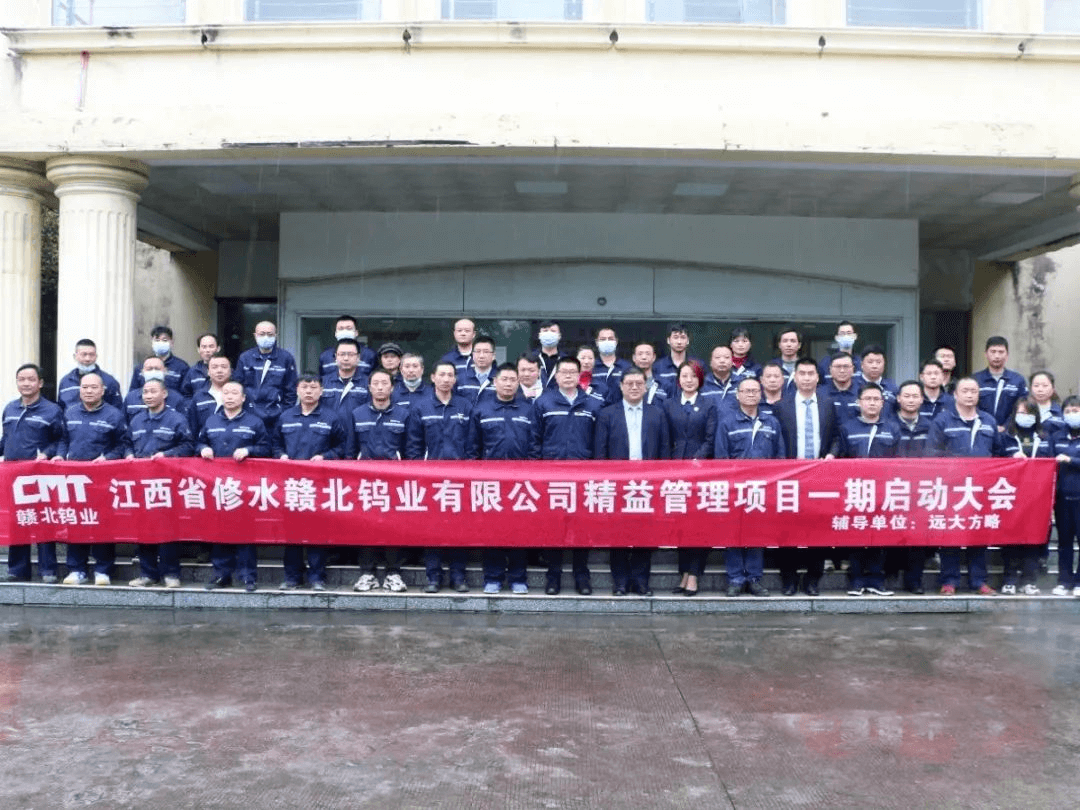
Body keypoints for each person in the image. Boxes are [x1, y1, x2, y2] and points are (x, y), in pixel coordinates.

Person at [928, 376, 1009, 595]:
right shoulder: (943, 420)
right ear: (955, 394)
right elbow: (931, 453)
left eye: (974, 391)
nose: (970, 395)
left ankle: (979, 581)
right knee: (950, 533)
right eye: (965, 391)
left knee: (979, 532)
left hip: (980, 488)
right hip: (950, 487)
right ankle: (949, 580)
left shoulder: (988, 421)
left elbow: (998, 452)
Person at [531, 356, 605, 595]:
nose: (568, 376)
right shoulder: (543, 403)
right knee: (554, 527)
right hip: (552, 476)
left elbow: (599, 442)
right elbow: (535, 440)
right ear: (556, 375)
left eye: (573, 372)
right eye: (563, 372)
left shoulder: (593, 404)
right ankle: (553, 576)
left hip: (583, 477)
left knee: (582, 527)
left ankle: (582, 576)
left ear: (580, 375)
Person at [595, 367, 671, 596]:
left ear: (646, 386)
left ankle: (641, 581)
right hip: (616, 483)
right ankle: (620, 582)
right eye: (629, 383)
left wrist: (661, 480)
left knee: (645, 533)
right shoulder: (607, 414)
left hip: (647, 483)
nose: (635, 387)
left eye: (639, 383)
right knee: (617, 534)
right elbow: (600, 452)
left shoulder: (657, 413)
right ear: (621, 386)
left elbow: (664, 449)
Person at [272, 374, 350, 591]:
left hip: (319, 483)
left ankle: (317, 577)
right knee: (292, 533)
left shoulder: (331, 417)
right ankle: (292, 577)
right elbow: (275, 444)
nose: (308, 391)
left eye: (313, 387)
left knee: (317, 532)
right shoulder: (286, 416)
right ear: (297, 390)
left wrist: (325, 457)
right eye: (304, 387)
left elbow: (342, 447)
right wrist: (281, 455)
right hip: (291, 484)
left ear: (321, 391)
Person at [467, 362, 536, 595]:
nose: (508, 384)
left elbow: (535, 446)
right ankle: (493, 577)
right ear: (495, 382)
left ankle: (518, 578)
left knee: (519, 531)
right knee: (492, 531)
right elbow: (472, 448)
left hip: (521, 482)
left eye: (512, 380)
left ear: (518, 383)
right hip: (490, 482)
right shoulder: (481, 410)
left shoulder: (528, 410)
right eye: (504, 379)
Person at [55, 372, 131, 587]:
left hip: (102, 480)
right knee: (76, 523)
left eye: (93, 387)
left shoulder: (114, 415)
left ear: (102, 390)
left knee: (102, 524)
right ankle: (76, 569)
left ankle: (103, 570)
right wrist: (60, 455)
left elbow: (123, 444)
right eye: (84, 387)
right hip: (74, 480)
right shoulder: (70, 413)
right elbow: (63, 439)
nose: (88, 391)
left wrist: (107, 458)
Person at [406, 361, 473, 592]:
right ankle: (433, 577)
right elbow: (413, 446)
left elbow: (472, 444)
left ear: (455, 379)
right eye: (442, 374)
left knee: (459, 530)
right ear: (433, 377)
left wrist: (469, 471)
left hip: (460, 480)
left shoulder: (465, 406)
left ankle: (458, 577)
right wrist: (419, 473)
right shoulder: (421, 407)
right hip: (430, 479)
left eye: (450, 375)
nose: (446, 379)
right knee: (431, 530)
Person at [198, 381, 271, 591]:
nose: (229, 396)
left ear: (243, 398)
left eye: (234, 393)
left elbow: (266, 448)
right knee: (219, 531)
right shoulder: (211, 420)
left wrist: (249, 450)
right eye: (226, 393)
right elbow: (199, 442)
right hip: (217, 486)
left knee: (245, 532)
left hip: (245, 487)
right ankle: (221, 575)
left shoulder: (254, 422)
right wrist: (203, 448)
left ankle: (248, 576)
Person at [715, 377, 784, 597]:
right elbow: (721, 457)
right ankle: (735, 578)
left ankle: (754, 578)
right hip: (734, 488)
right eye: (747, 391)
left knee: (756, 534)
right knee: (733, 533)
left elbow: (780, 456)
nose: (751, 394)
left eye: (755, 390)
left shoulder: (771, 423)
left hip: (762, 489)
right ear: (738, 395)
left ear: (761, 394)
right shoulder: (727, 423)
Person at [775, 357, 838, 595]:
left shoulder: (828, 404)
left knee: (818, 528)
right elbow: (777, 439)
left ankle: (813, 579)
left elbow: (836, 436)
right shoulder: (782, 406)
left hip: (820, 475)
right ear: (795, 377)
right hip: (790, 476)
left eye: (811, 373)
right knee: (787, 528)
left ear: (818, 377)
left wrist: (832, 454)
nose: (807, 378)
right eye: (802, 373)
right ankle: (789, 579)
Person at [348, 369, 412, 593]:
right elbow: (350, 450)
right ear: (369, 387)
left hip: (395, 481)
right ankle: (367, 573)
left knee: (394, 526)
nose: (380, 387)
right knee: (365, 526)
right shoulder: (357, 413)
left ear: (392, 387)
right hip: (365, 482)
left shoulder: (403, 414)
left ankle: (393, 573)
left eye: (384, 383)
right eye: (375, 383)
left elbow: (410, 449)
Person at [128, 377, 195, 588]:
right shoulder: (136, 420)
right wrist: (128, 454)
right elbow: (126, 443)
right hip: (141, 482)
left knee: (167, 529)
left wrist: (167, 455)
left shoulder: (177, 419)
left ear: (164, 394)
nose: (148, 396)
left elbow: (188, 446)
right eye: (145, 392)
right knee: (143, 529)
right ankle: (147, 573)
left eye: (153, 391)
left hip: (167, 483)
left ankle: (170, 574)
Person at [1, 364, 66, 583]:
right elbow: (6, 439)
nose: (26, 383)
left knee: (43, 521)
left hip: (40, 476)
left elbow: (61, 439)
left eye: (31, 379)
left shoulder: (52, 410)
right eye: (22, 379)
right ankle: (17, 570)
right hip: (14, 476)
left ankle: (48, 570)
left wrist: (47, 454)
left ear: (40, 383)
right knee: (17, 522)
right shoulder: (10, 408)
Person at [836, 383, 899, 596]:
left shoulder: (892, 429)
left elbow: (900, 461)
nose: (872, 403)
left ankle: (876, 580)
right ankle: (856, 580)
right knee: (856, 535)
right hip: (856, 491)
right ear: (859, 403)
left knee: (879, 536)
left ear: (883, 403)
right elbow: (841, 458)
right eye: (868, 399)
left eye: (876, 399)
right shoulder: (847, 428)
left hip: (883, 491)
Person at [663, 361, 717, 597]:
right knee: (681, 526)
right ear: (678, 379)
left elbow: (711, 438)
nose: (688, 380)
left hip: (700, 471)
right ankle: (684, 572)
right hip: (675, 471)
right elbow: (664, 436)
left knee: (700, 525)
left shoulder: (709, 404)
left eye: (693, 376)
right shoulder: (669, 404)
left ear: (700, 379)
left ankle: (694, 574)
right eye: (684, 376)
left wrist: (698, 459)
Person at [999, 397, 1051, 596]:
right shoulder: (1006, 437)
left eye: (1029, 413)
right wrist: (1011, 459)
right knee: (1011, 539)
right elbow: (995, 460)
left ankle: (1029, 580)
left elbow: (1052, 463)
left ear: (1036, 416)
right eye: (1021, 413)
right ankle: (1009, 579)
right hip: (1010, 495)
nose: (1025, 417)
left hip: (1038, 496)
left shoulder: (1044, 438)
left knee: (1034, 538)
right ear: (1014, 415)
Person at [891, 380, 932, 593]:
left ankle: (914, 580)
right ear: (898, 398)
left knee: (918, 534)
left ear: (922, 399)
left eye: (915, 396)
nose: (910, 400)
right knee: (891, 529)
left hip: (921, 489)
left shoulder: (931, 426)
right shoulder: (888, 425)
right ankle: (890, 573)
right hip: (893, 488)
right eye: (906, 396)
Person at [233, 321, 298, 431]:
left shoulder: (286, 358)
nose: (266, 337)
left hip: (276, 417)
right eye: (262, 334)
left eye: (270, 334)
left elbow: (291, 390)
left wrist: (283, 413)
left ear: (276, 336)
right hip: (249, 415)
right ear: (255, 336)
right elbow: (237, 386)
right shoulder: (245, 358)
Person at [1051, 396, 1080, 597]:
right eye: (1068, 411)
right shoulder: (1057, 437)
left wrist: (1070, 460)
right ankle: (1064, 581)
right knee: (1064, 542)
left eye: (1076, 411)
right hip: (1062, 498)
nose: (1071, 414)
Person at [973, 336, 1028, 429]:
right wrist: (988, 425)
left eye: (1001, 352)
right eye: (993, 352)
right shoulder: (975, 379)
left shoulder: (1018, 380)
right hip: (982, 430)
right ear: (986, 354)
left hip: (1010, 431)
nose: (997, 356)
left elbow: (1023, 406)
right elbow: (970, 406)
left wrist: (1006, 426)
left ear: (1007, 355)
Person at [56, 338, 123, 411]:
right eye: (84, 354)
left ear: (96, 356)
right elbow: (61, 409)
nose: (87, 359)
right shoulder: (65, 382)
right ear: (75, 356)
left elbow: (117, 410)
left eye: (91, 355)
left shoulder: (109, 381)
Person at [188, 354, 239, 439]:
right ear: (208, 372)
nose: (219, 371)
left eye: (224, 367)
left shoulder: (240, 395)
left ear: (231, 371)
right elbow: (192, 429)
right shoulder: (199, 397)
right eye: (214, 367)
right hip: (205, 444)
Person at [129, 325, 189, 394]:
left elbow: (186, 394)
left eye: (164, 340)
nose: (160, 343)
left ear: (171, 342)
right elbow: (132, 393)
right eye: (157, 340)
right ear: (152, 342)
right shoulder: (141, 367)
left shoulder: (182, 367)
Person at [123, 356, 185, 422]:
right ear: (142, 372)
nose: (153, 372)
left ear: (165, 371)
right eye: (149, 369)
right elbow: (124, 424)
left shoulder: (177, 399)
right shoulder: (131, 398)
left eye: (157, 369)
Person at [320, 337, 370, 417]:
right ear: (336, 357)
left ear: (358, 357)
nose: (346, 358)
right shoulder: (323, 382)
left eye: (351, 354)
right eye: (342, 354)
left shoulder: (368, 383)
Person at [319, 315, 376, 380]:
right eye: (341, 329)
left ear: (356, 332)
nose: (344, 331)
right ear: (335, 333)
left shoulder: (369, 355)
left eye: (349, 328)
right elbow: (321, 379)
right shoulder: (325, 355)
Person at [654, 322, 702, 397]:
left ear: (688, 341)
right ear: (668, 340)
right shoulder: (658, 366)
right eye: (675, 337)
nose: (679, 342)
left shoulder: (698, 364)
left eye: (683, 337)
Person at [591, 327, 632, 403]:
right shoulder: (591, 366)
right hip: (595, 408)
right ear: (597, 342)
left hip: (620, 408)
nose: (607, 342)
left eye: (610, 339)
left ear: (616, 341)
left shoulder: (626, 366)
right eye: (603, 339)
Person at [179, 333, 222, 403]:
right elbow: (186, 395)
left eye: (211, 346)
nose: (207, 350)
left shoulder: (225, 370)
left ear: (218, 348)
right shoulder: (192, 372)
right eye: (204, 347)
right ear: (198, 350)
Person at [821, 353, 860, 425]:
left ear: (853, 369)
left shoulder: (862, 392)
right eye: (838, 367)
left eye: (846, 366)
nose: (842, 370)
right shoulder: (820, 394)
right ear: (830, 369)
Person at [456, 336, 498, 402]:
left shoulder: (501, 379)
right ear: (473, 355)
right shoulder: (460, 378)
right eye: (478, 351)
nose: (481, 356)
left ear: (493, 356)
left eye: (486, 352)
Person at [700, 345, 737, 414]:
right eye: (717, 357)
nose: (722, 361)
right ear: (710, 362)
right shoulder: (701, 385)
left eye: (726, 357)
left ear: (733, 362)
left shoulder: (742, 383)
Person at [1029, 370, 1064, 437]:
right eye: (1036, 386)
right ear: (1030, 388)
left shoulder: (1061, 412)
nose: (1040, 390)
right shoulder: (1023, 410)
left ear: (1053, 388)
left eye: (1045, 386)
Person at [536, 320, 568, 389]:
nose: (549, 334)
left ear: (559, 336)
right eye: (545, 331)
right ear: (539, 335)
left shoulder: (566, 360)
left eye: (553, 331)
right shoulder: (531, 358)